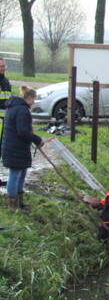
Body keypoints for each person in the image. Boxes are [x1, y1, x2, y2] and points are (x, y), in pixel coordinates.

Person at [2, 86, 45, 209]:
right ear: (30, 97)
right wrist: (37, 139)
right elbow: (22, 131)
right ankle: (13, 205)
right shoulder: (22, 110)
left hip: (15, 146)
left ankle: (19, 202)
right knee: (15, 174)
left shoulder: (14, 107)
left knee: (21, 173)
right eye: (34, 100)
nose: (34, 103)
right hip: (15, 147)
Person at [0, 58, 11, 187]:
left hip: (4, 120)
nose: (2, 68)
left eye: (3, 66)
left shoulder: (5, 81)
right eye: (0, 66)